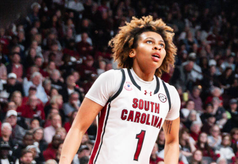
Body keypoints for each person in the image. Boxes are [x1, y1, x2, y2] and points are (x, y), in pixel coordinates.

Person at [58, 16, 181, 164]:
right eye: (149, 42)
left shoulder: (169, 94)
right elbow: (78, 128)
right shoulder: (113, 79)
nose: (158, 47)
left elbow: (172, 142)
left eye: (161, 45)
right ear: (132, 52)